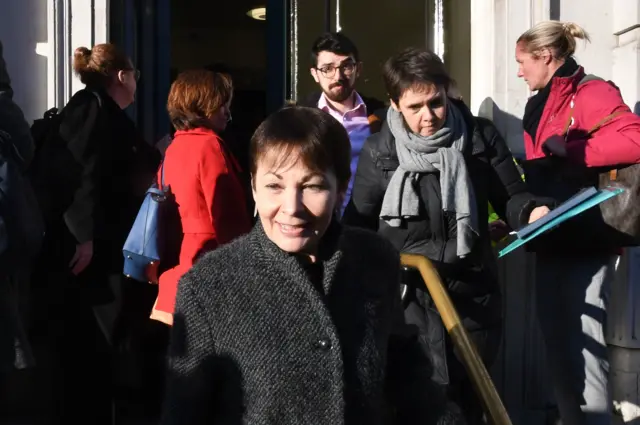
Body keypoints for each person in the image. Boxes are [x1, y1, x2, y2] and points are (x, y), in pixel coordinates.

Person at [160, 106, 464, 425]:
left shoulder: (373, 259)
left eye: (313, 186)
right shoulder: (209, 286)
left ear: (341, 189)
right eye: (274, 186)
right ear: (253, 187)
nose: (292, 208)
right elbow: (184, 410)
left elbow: (408, 377)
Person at [343, 47, 551, 424]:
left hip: (471, 294)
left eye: (435, 102)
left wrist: (529, 211)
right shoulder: (380, 150)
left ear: (447, 91)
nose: (427, 117)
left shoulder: (478, 136)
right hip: (408, 300)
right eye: (415, 107)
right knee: (417, 404)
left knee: (469, 401)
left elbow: (511, 196)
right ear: (394, 104)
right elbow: (357, 226)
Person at [515, 20, 640, 425]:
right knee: (558, 344)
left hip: (585, 238)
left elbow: (635, 139)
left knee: (583, 349)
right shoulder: (544, 99)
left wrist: (570, 148)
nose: (519, 71)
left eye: (523, 62)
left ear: (546, 57)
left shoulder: (590, 91)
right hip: (554, 236)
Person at [29, 43, 160, 425]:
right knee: (92, 340)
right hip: (92, 253)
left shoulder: (105, 111)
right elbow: (78, 172)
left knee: (105, 340)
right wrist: (83, 236)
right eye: (134, 75)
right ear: (121, 75)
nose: (136, 83)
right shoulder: (90, 107)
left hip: (104, 247)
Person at [151, 69, 252, 326]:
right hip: (211, 269)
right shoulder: (209, 145)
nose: (227, 113)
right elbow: (228, 218)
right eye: (222, 105)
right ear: (202, 106)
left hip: (178, 273)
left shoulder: (175, 146)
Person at [298, 32, 385, 213]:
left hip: (367, 220)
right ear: (315, 74)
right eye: (327, 68)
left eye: (346, 66)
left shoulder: (380, 116)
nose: (337, 76)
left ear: (358, 69)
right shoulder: (300, 117)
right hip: (316, 218)